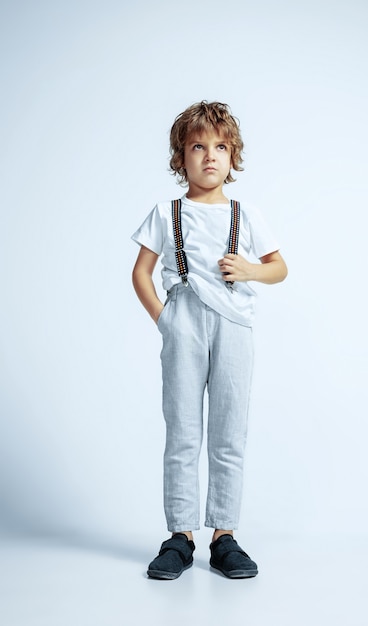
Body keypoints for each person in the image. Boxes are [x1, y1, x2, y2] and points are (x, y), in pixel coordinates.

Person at [131, 101, 287, 580]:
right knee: (181, 431)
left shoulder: (246, 213)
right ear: (182, 156)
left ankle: (224, 535)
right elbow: (141, 274)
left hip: (235, 326)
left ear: (232, 155)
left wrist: (251, 270)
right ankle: (180, 536)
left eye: (220, 147)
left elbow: (279, 267)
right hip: (184, 323)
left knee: (228, 432)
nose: (210, 156)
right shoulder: (166, 212)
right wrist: (166, 320)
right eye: (198, 146)